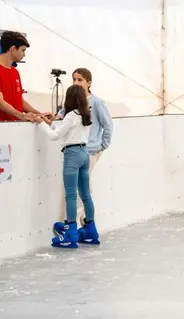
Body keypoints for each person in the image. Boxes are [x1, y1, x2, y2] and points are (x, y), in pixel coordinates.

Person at [37, 85, 100, 248]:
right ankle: (90, 230)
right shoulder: (86, 114)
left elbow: (54, 136)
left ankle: (70, 233)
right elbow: (64, 131)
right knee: (85, 195)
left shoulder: (71, 116)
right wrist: (49, 122)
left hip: (72, 155)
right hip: (84, 153)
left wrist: (40, 123)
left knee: (71, 195)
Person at [57, 68, 114, 224]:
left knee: (80, 188)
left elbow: (108, 125)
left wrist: (102, 146)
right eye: (74, 79)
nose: (76, 82)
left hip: (90, 150)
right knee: (82, 186)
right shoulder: (71, 102)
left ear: (88, 83)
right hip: (76, 150)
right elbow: (62, 116)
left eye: (80, 80)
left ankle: (77, 220)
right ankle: (84, 219)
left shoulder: (97, 102)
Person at [0, 31, 51, 122]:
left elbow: (20, 101)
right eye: (23, 50)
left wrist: (39, 114)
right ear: (13, 49)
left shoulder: (15, 72)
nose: (24, 54)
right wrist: (22, 116)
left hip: (17, 126)